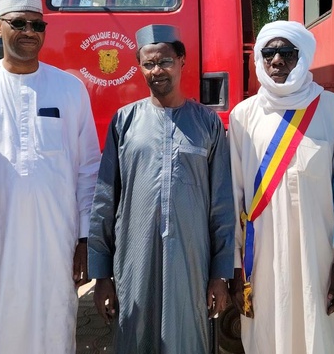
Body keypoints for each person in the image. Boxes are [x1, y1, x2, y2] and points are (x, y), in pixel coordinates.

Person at [0, 0, 101, 354]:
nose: (28, 32)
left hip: (55, 242)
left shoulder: (70, 89)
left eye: (37, 25)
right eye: (18, 23)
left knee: (53, 328)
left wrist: (85, 239)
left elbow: (88, 169)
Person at [87, 24, 234, 354]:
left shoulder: (208, 123)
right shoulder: (124, 121)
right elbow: (104, 201)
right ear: (139, 66)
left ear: (181, 61)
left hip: (191, 262)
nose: (157, 71)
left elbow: (221, 205)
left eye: (165, 61)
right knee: (134, 336)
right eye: (148, 63)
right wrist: (102, 275)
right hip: (133, 258)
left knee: (188, 338)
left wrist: (219, 274)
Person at [229, 21, 334, 353]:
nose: (277, 61)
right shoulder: (243, 116)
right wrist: (236, 269)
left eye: (287, 53)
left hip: (319, 258)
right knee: (265, 335)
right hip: (260, 258)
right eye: (269, 53)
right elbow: (234, 195)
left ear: (303, 56)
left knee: (317, 336)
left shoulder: (331, 108)